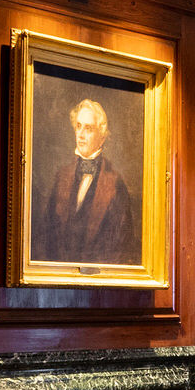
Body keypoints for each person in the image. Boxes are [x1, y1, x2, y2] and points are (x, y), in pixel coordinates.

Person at [35, 96, 140, 264]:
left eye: (89, 128)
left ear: (102, 137)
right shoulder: (62, 176)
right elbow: (44, 236)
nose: (81, 135)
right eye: (78, 126)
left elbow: (121, 247)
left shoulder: (115, 184)